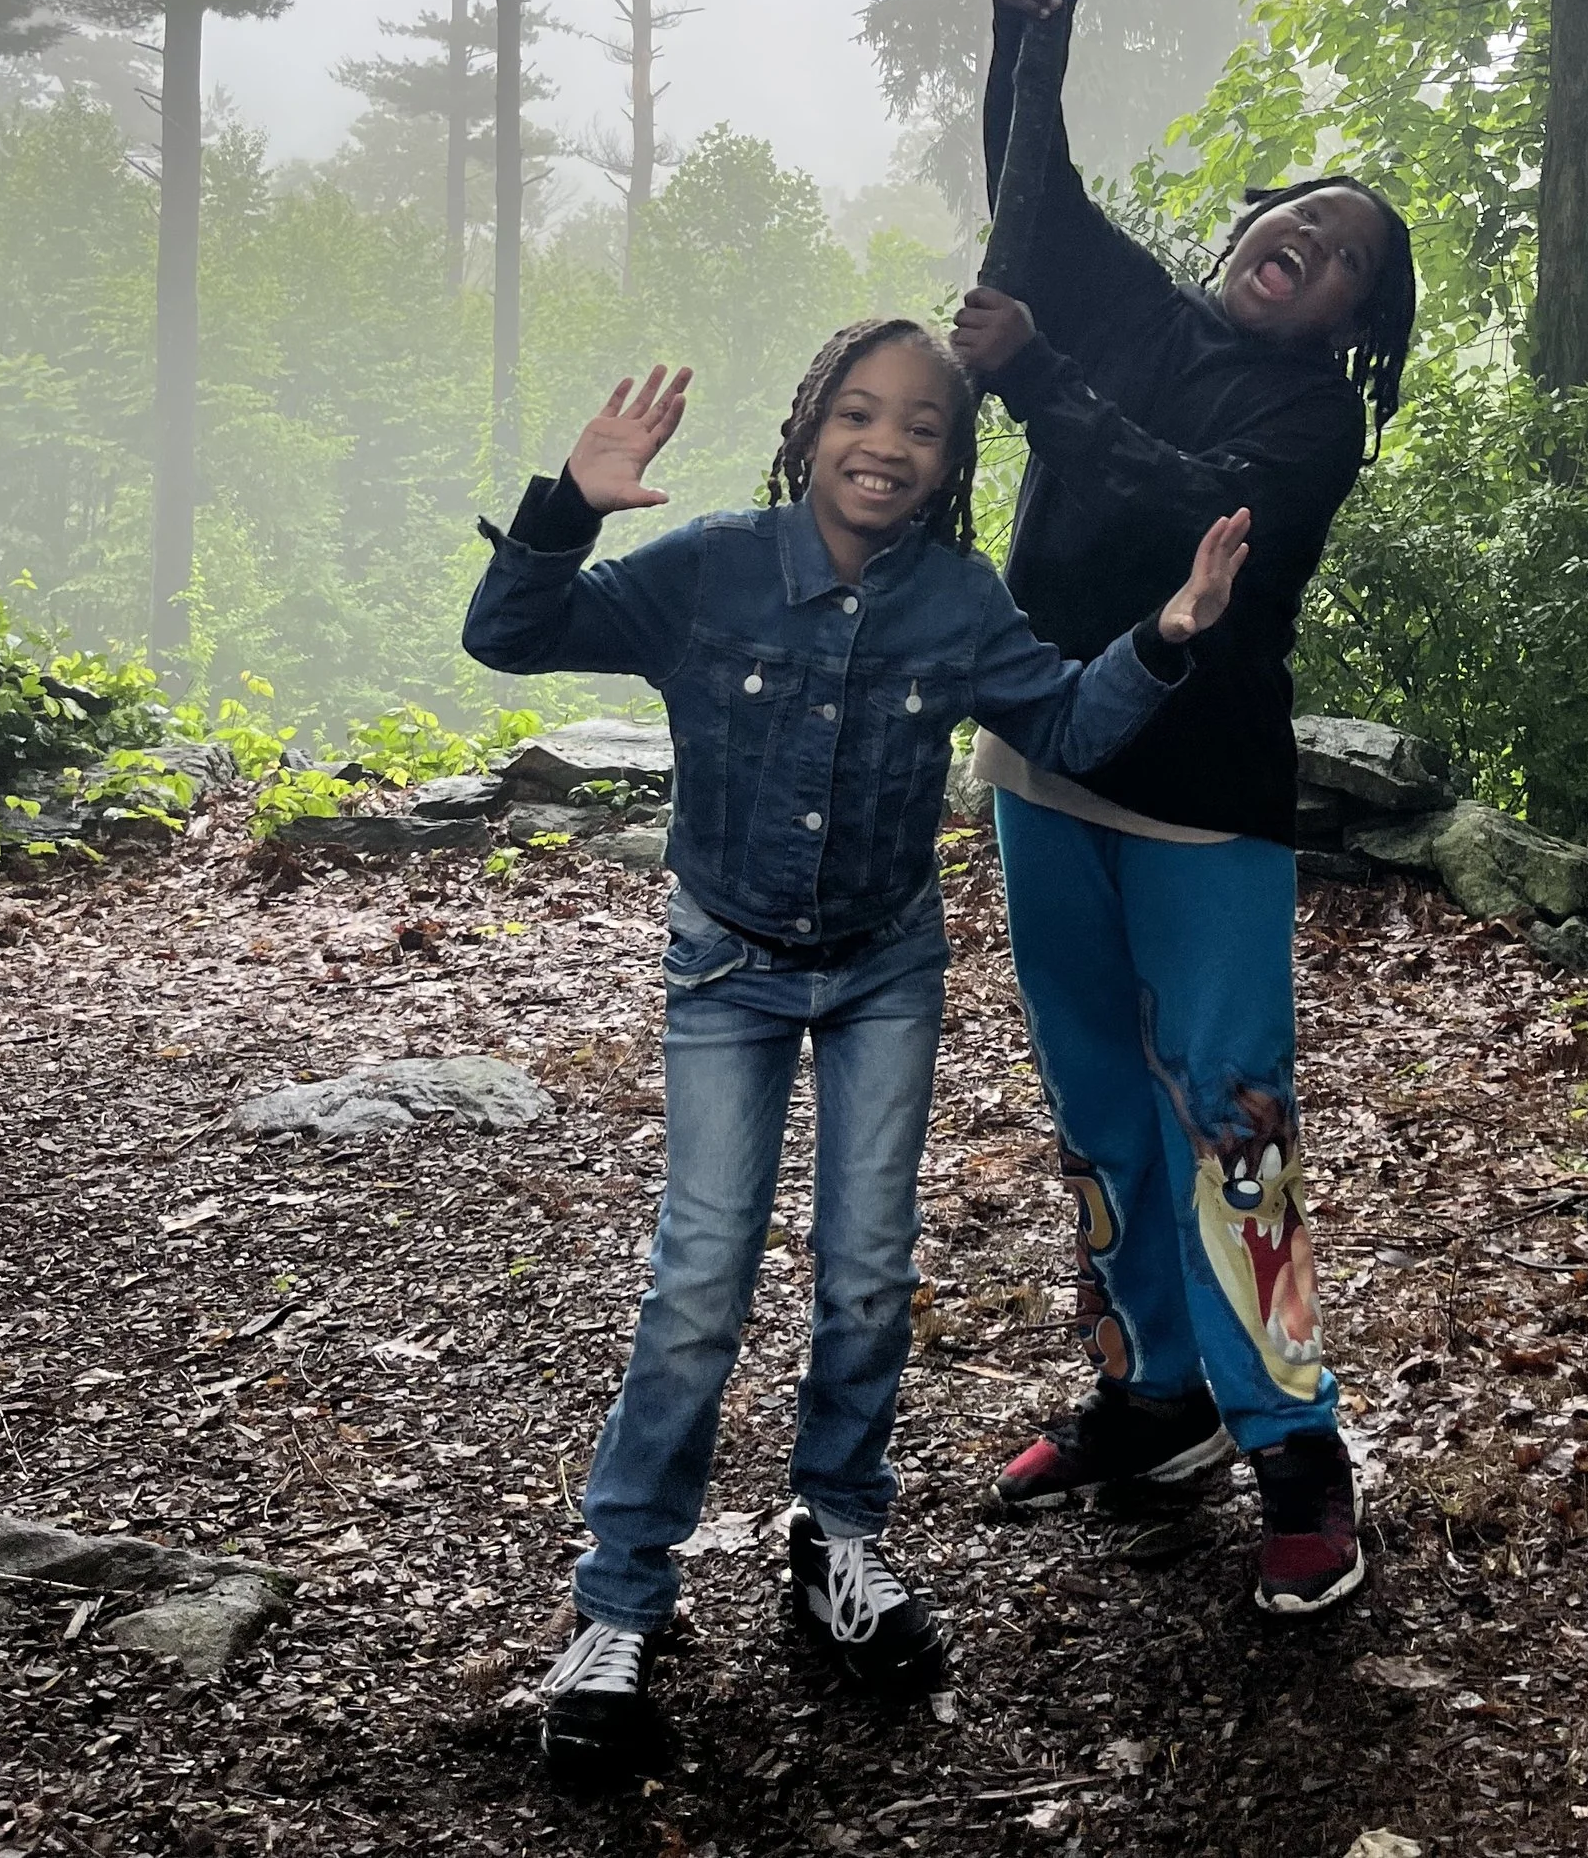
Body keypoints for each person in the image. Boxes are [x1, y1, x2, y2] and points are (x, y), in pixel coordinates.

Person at [460, 320, 1250, 1785]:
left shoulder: (959, 601)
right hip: (728, 971)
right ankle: (620, 1605)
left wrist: (1170, 636)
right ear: (811, 421)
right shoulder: (707, 568)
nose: (888, 446)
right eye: (861, 415)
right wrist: (567, 501)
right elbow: (508, 637)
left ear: (953, 463)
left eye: (926, 429)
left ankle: (839, 1542)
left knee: (868, 1268)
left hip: (885, 968)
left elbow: (1068, 723)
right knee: (699, 1280)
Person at [951, 0, 1417, 1616]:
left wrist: (1036, 381)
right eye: (1296, 214)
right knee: (1094, 1110)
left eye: (1349, 254)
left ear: (1359, 317)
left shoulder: (1312, 426)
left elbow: (1184, 511)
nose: (1309, 241)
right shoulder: (1130, 309)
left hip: (1200, 803)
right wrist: (1020, 38)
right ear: (1240, 230)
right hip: (1041, 768)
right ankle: (1152, 1399)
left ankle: (1294, 1446)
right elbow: (1029, 182)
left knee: (1231, 1117)